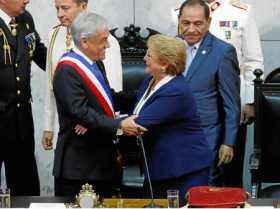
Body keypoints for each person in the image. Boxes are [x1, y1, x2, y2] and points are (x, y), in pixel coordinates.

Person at [52, 11, 146, 197]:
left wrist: (145, 95)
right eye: (103, 40)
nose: (108, 45)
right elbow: (80, 112)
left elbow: (106, 99)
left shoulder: (95, 63)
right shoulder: (67, 70)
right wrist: (119, 124)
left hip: (102, 163)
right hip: (79, 168)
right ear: (85, 41)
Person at [130, 34, 212, 202]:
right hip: (158, 166)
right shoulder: (150, 81)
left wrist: (100, 123)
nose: (144, 58)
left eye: (149, 55)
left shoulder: (176, 91)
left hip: (183, 170)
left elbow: (140, 123)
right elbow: (130, 98)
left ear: (164, 64)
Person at [42, 0, 123, 151]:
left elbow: (109, 90)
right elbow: (51, 82)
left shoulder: (105, 41)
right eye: (57, 8)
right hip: (65, 125)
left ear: (83, 6)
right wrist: (48, 125)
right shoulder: (54, 34)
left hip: (93, 127)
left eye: (65, 8)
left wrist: (104, 125)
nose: (59, 14)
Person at [177, 0, 240, 186]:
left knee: (202, 189)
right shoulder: (170, 47)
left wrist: (228, 143)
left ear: (209, 22)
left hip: (205, 136)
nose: (191, 29)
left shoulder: (223, 52)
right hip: (171, 135)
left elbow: (232, 103)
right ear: (179, 21)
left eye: (198, 23)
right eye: (186, 23)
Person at [205, 0, 264, 187]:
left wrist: (249, 101)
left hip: (232, 102)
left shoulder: (242, 12)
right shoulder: (180, 11)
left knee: (231, 169)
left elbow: (252, 60)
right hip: (200, 103)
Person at [0, 0, 46, 195]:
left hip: (21, 121)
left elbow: (39, 52)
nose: (27, 0)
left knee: (25, 187)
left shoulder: (25, 19)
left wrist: (69, 69)